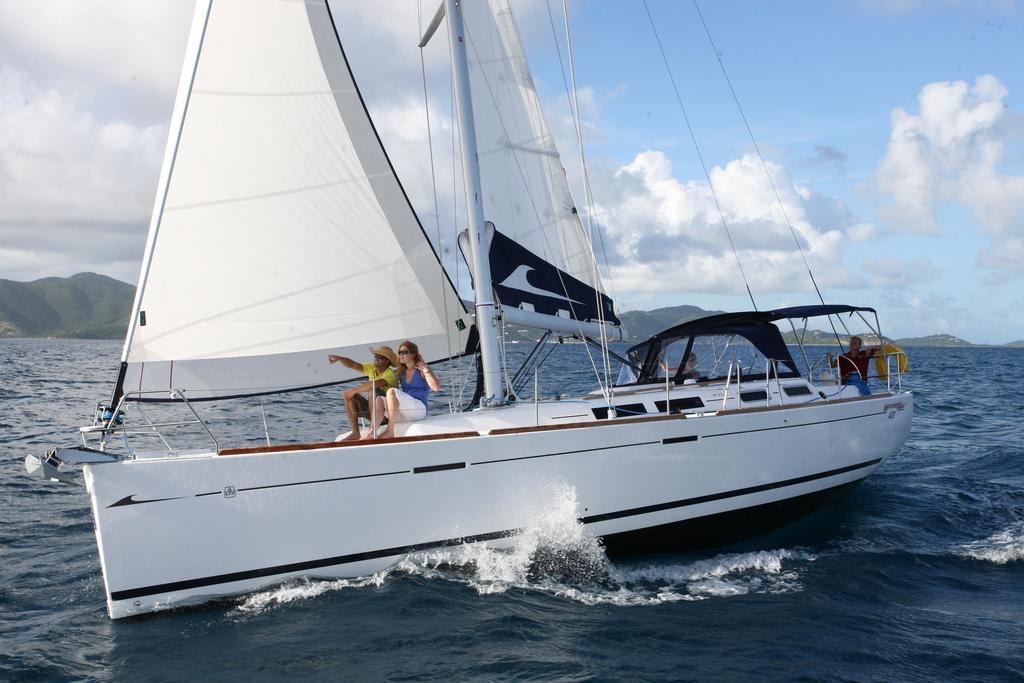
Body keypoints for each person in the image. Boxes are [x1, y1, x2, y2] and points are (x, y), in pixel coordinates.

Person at [328, 346, 399, 440]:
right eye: (375, 356)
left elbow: (375, 384)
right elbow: (353, 364)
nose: (376, 358)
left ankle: (372, 430)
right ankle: (355, 433)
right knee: (348, 395)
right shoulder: (371, 369)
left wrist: (354, 390)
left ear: (387, 361)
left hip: (385, 415)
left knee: (372, 389)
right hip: (373, 411)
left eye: (380, 357)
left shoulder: (390, 374)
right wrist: (339, 358)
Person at [376, 340, 441, 439]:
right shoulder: (401, 372)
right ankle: (372, 431)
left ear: (413, 354)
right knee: (379, 399)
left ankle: (390, 431)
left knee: (392, 391)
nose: (401, 355)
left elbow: (436, 388)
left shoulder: (423, 369)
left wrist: (426, 370)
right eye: (400, 352)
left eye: (404, 352)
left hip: (419, 409)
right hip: (406, 412)